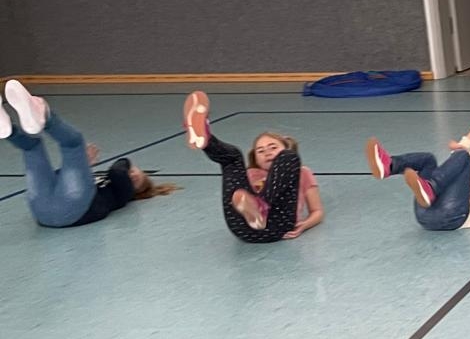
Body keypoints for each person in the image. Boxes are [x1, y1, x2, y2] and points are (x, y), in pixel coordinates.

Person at [3, 80, 177, 228]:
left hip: (73, 211)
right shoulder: (95, 183)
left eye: (136, 181)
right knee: (32, 148)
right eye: (136, 174)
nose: (131, 175)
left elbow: (118, 169)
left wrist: (126, 163)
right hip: (42, 213)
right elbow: (55, 179)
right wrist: (82, 167)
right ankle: (7, 130)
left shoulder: (122, 194)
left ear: (135, 193)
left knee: (74, 143)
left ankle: (44, 116)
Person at [182, 90, 322, 244]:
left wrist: (304, 225)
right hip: (244, 228)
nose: (267, 153)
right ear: (255, 158)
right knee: (233, 157)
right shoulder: (252, 173)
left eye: (273, 147)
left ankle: (261, 207)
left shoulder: (302, 173)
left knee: (289, 157)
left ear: (286, 146)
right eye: (260, 151)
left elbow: (317, 211)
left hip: (279, 225)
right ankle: (205, 139)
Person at [366, 125, 470, 231]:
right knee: (428, 159)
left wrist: (469, 141)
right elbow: (459, 171)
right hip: (426, 215)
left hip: (452, 217)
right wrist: (464, 148)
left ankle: (431, 188)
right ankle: (388, 167)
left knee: (465, 159)